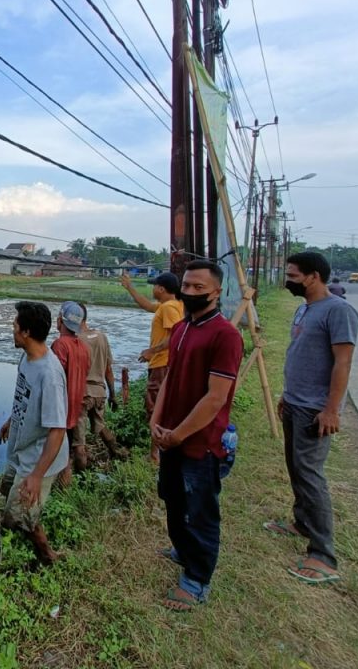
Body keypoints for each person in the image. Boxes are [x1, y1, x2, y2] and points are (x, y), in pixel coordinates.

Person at [151, 261, 243, 610]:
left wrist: (178, 434)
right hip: (170, 435)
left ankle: (197, 579)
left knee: (200, 510)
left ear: (217, 292)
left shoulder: (226, 335)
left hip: (200, 442)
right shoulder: (180, 329)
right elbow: (169, 378)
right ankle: (182, 550)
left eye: (198, 288)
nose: (190, 292)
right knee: (173, 499)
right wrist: (156, 423)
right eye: (186, 286)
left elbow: (215, 397)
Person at [266, 252, 358, 586]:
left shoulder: (339, 311)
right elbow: (301, 356)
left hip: (314, 409)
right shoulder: (305, 308)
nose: (287, 280)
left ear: (313, 276)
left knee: (310, 475)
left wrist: (331, 409)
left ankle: (323, 555)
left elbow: (342, 363)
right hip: (294, 401)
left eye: (292, 275)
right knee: (295, 466)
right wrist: (285, 394)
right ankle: (301, 522)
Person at [0, 301, 69, 564]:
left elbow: (57, 430)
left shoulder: (49, 375)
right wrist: (11, 420)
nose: (12, 330)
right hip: (21, 446)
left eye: (15, 326)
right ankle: (25, 543)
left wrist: (37, 475)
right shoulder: (26, 358)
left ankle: (47, 557)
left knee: (22, 514)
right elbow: (25, 398)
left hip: (39, 455)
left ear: (26, 332)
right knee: (9, 498)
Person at [120, 270, 184, 457]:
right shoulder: (172, 304)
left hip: (161, 363)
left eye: (155, 285)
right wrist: (129, 287)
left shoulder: (168, 308)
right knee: (159, 404)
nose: (153, 288)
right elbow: (147, 306)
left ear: (161, 289)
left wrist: (151, 351)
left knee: (155, 406)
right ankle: (158, 449)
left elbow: (174, 336)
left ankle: (156, 453)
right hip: (162, 363)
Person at [76, 303, 128, 460]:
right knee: (100, 426)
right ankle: (117, 453)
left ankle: (81, 477)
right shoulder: (101, 336)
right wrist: (113, 395)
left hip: (82, 394)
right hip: (99, 392)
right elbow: (108, 370)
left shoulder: (74, 340)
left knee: (78, 442)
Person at [51, 301, 91, 474]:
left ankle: (63, 491)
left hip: (60, 408)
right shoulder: (84, 347)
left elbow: (54, 379)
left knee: (61, 454)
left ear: (60, 321)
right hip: (75, 406)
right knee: (66, 448)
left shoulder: (60, 345)